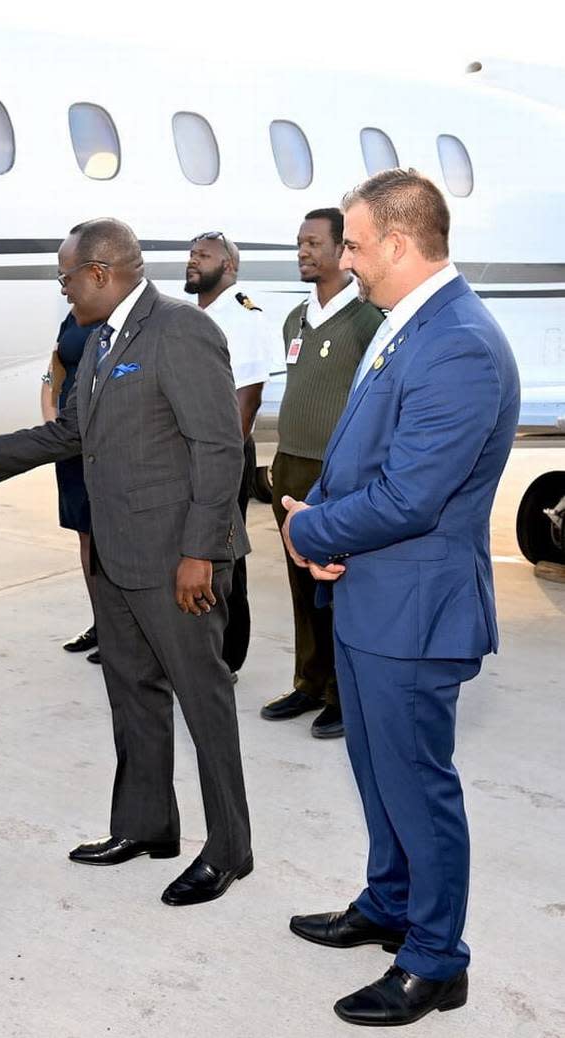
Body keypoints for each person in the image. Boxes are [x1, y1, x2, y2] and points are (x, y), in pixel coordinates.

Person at [0, 218, 252, 906]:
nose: (63, 293)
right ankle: (147, 825)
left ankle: (229, 848)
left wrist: (198, 554)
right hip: (117, 554)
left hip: (178, 559)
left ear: (99, 273)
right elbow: (72, 431)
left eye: (65, 280)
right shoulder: (100, 340)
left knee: (203, 701)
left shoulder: (181, 331)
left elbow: (220, 449)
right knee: (132, 691)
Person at [280, 169, 519, 1027]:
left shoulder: (456, 340)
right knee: (377, 772)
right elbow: (370, 460)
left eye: (350, 241)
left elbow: (412, 496)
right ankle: (388, 903)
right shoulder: (407, 326)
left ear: (397, 243)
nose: (341, 257)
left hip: (413, 612)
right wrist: (324, 523)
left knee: (418, 783)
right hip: (370, 595)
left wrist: (310, 532)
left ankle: (434, 959)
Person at [260, 209, 384, 739]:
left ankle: (343, 694)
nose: (303, 252)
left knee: (336, 587)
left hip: (337, 474)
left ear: (342, 250)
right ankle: (309, 682)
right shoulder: (295, 319)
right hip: (290, 464)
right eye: (299, 243)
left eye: (313, 243)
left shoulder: (369, 320)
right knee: (298, 582)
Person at [183, 231, 273, 679]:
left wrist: (223, 463)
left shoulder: (242, 316)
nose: (193, 260)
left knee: (226, 557)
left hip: (224, 455)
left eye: (205, 255)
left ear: (230, 266)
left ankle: (227, 658)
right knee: (193, 554)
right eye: (192, 253)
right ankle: (199, 649)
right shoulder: (193, 314)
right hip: (194, 452)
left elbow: (248, 397)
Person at [43, 310, 105, 664]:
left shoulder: (120, 315)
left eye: (68, 276)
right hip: (69, 443)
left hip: (104, 443)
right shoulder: (74, 316)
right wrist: (52, 426)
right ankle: (101, 624)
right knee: (85, 533)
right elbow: (55, 370)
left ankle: (122, 631)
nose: (65, 286)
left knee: (108, 535)